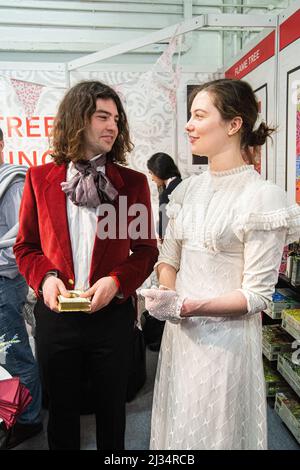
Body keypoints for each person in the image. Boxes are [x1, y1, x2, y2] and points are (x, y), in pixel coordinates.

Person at [141, 78, 300, 450]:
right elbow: (170, 256)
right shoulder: (188, 190)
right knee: (177, 429)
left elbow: (257, 295)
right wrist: (167, 291)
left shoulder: (263, 198)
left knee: (216, 435)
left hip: (225, 346)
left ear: (233, 124)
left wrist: (187, 306)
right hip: (181, 339)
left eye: (199, 115)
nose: (188, 125)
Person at [14, 81, 158, 450]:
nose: (112, 126)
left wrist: (117, 281)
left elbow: (144, 250)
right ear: (78, 119)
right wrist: (45, 278)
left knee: (113, 413)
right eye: (102, 117)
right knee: (61, 413)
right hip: (56, 319)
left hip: (112, 319)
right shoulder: (38, 179)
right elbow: (26, 246)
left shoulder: (132, 184)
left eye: (116, 118)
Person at [0, 127, 42, 449]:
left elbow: (20, 238)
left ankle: (28, 420)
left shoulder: (13, 181)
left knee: (14, 352)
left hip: (4, 280)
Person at [147, 152, 182, 241]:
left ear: (158, 171)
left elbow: (163, 231)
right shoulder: (182, 183)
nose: (152, 178)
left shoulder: (167, 194)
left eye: (151, 173)